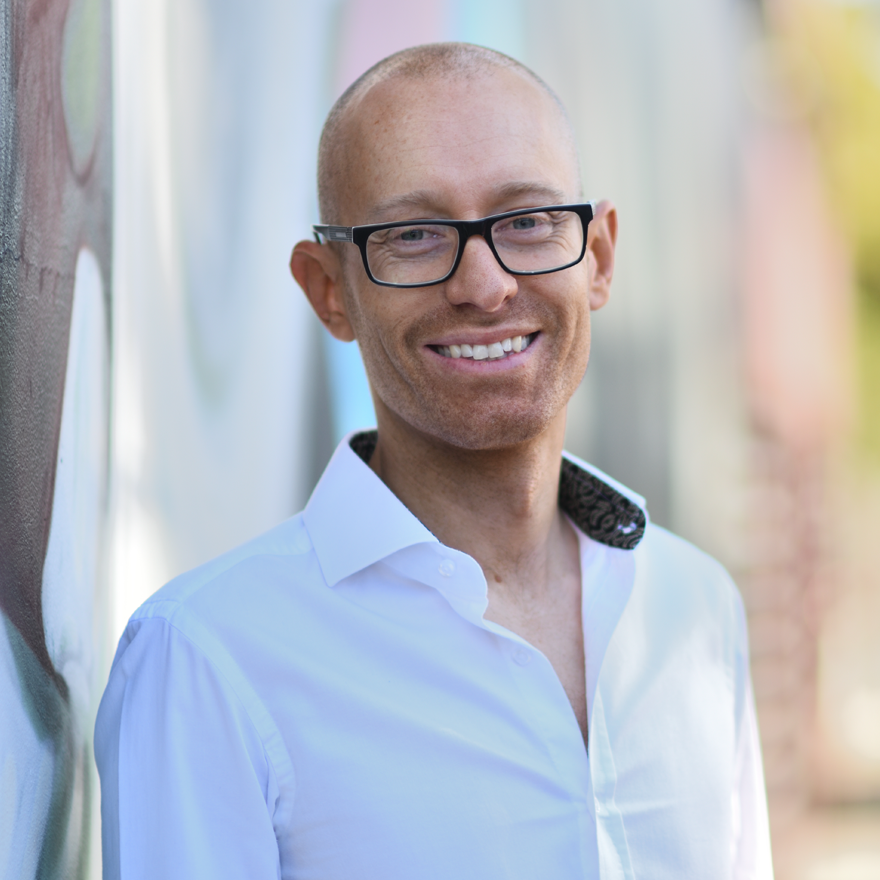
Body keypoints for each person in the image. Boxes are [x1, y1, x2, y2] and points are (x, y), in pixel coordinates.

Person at [95, 42, 773, 879]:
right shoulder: (206, 662)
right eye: (414, 234)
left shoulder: (695, 609)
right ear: (328, 289)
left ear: (597, 258)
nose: (484, 286)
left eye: (527, 220)